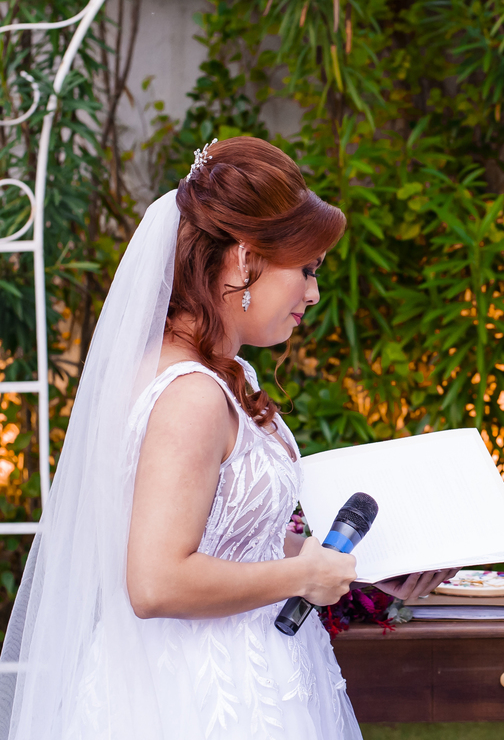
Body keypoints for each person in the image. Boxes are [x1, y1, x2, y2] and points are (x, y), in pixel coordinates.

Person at [0, 137, 454, 739]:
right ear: (244, 260)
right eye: (307, 270)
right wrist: (301, 578)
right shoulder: (189, 396)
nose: (313, 293)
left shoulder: (219, 373)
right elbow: (157, 581)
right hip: (201, 699)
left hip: (257, 671)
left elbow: (229, 541)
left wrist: (350, 566)